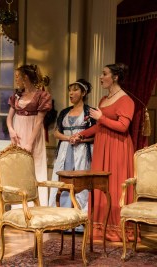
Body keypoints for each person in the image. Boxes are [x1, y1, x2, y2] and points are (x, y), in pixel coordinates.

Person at [71, 63, 135, 242]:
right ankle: (100, 227)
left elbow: (123, 127)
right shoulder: (103, 100)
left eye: (104, 74)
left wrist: (102, 117)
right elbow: (99, 126)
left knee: (115, 184)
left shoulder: (126, 100)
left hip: (118, 147)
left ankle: (117, 228)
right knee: (100, 185)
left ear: (114, 77)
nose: (100, 77)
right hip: (102, 145)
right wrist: (81, 135)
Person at [48, 79, 95, 233]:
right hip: (65, 150)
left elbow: (96, 135)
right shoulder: (64, 112)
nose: (71, 93)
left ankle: (79, 221)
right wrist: (69, 138)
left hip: (82, 150)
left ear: (83, 93)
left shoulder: (90, 112)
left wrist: (81, 139)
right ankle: (59, 219)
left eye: (75, 90)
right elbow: (55, 132)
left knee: (79, 184)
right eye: (70, 90)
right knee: (62, 182)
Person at [7, 64, 52, 206]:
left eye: (17, 77)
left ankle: (37, 206)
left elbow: (39, 122)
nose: (16, 80)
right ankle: (19, 206)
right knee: (20, 168)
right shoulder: (17, 95)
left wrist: (30, 143)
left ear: (25, 77)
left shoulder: (42, 95)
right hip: (18, 135)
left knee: (34, 167)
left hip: (33, 135)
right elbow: (9, 117)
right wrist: (11, 129)